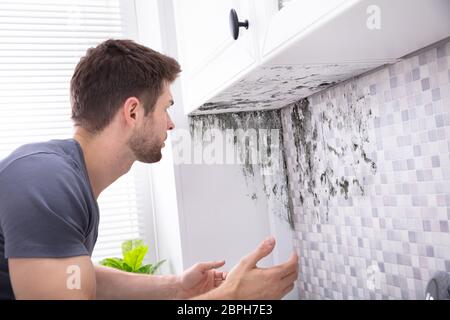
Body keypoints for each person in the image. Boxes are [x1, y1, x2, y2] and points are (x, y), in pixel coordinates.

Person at [0, 39, 298, 300]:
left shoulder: (59, 178)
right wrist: (230, 296)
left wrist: (176, 287)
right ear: (132, 112)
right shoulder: (44, 181)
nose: (170, 123)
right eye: (165, 107)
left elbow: (74, 278)